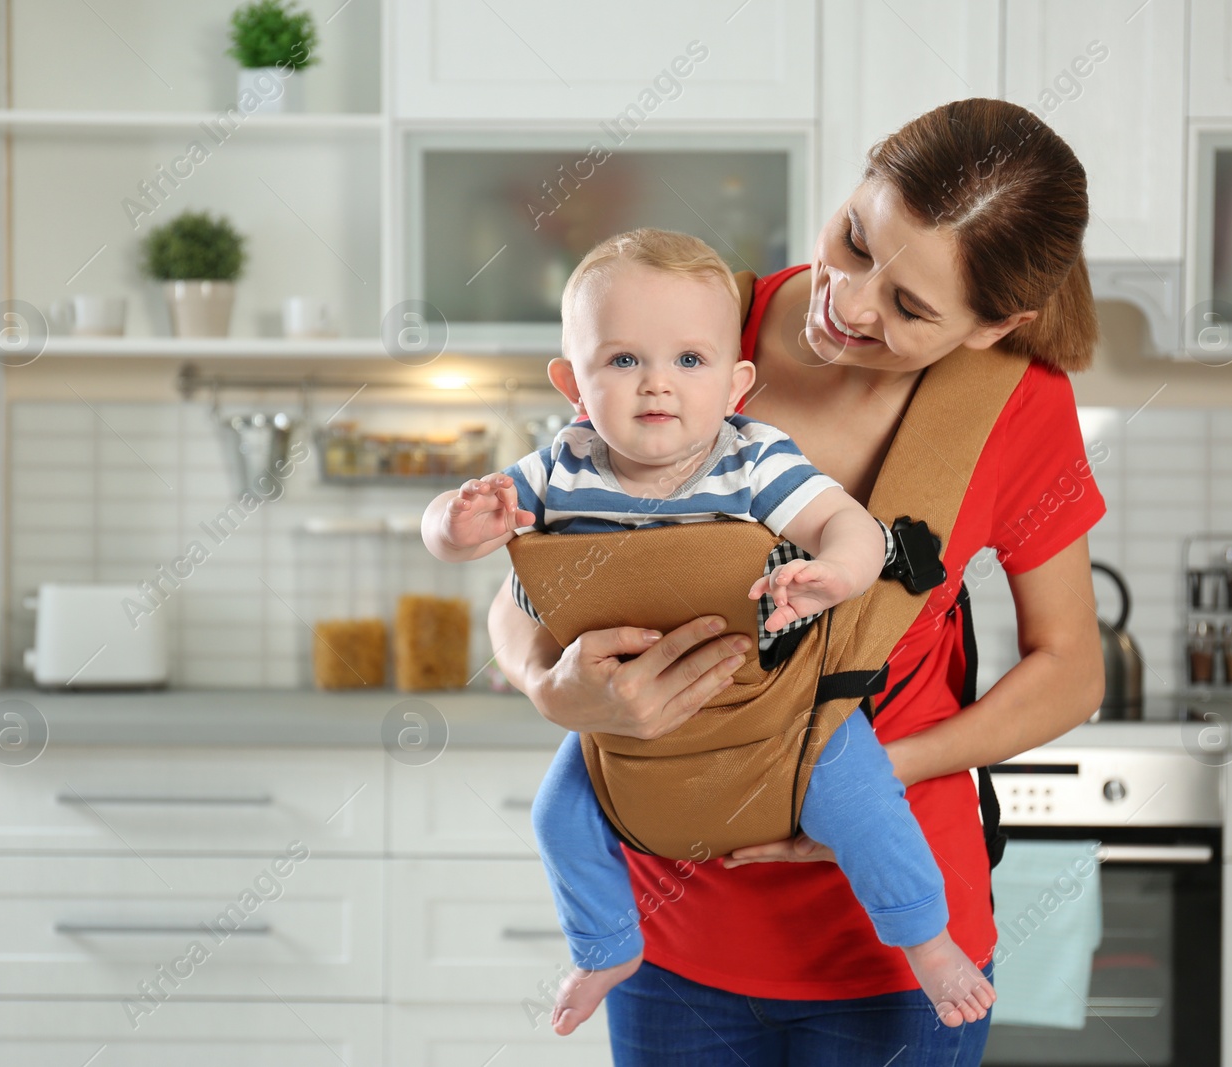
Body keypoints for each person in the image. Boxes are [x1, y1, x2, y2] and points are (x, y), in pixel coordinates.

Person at [487, 97, 1108, 1066]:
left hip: (888, 953)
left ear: (995, 326)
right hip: (671, 935)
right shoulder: (680, 323)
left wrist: (866, 779)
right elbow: (540, 573)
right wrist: (549, 684)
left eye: (909, 308)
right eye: (854, 240)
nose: (851, 302)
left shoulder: (1017, 406)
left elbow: (1070, 666)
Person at [421, 228, 998, 1037]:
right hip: (626, 723)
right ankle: (607, 946)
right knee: (559, 813)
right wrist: (456, 522)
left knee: (866, 801)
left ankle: (928, 945)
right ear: (571, 383)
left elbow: (851, 525)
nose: (657, 383)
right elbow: (458, 548)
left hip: (780, 710)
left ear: (736, 383)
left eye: (689, 361)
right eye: (623, 360)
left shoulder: (753, 458)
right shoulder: (560, 466)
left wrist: (835, 571)